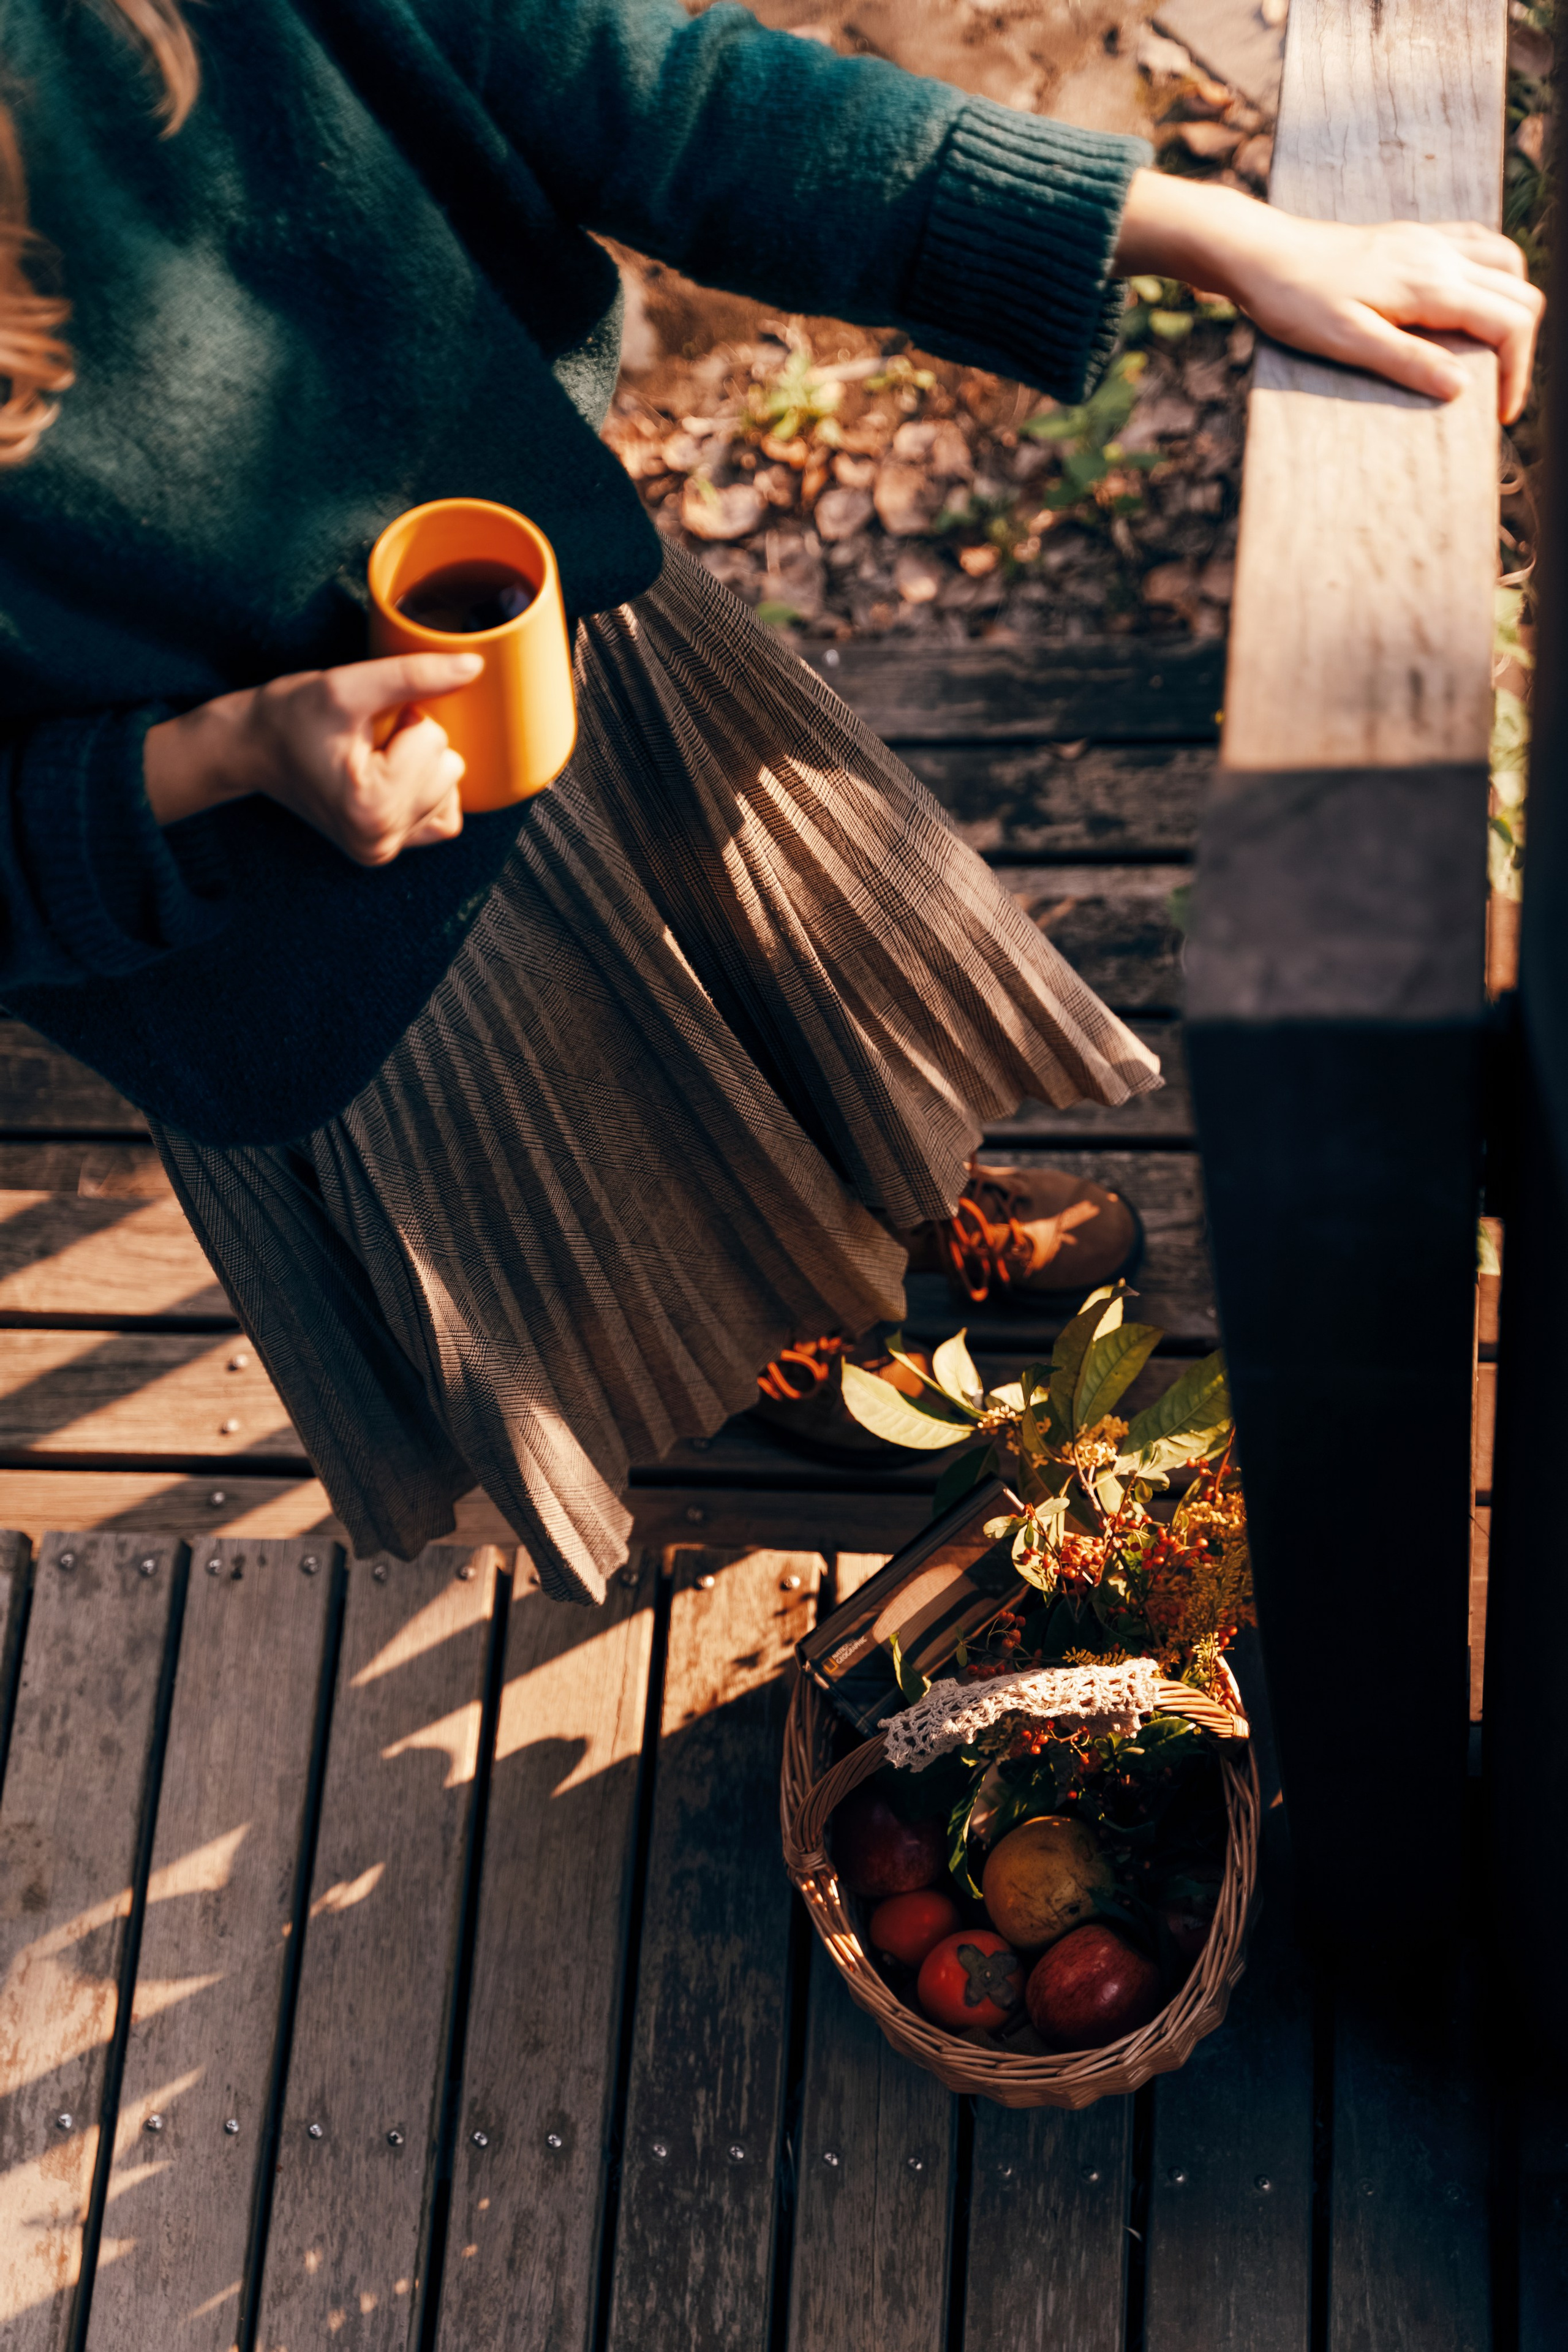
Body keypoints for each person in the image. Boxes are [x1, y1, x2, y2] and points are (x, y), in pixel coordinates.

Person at [0, 0, 1539, 1599]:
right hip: (271, 912)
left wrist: (1196, 235)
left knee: (794, 1016)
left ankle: (890, 1209)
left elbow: (640, 88)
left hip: (574, 647)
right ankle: (787, 1334)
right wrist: (223, 760)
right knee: (616, 1207)